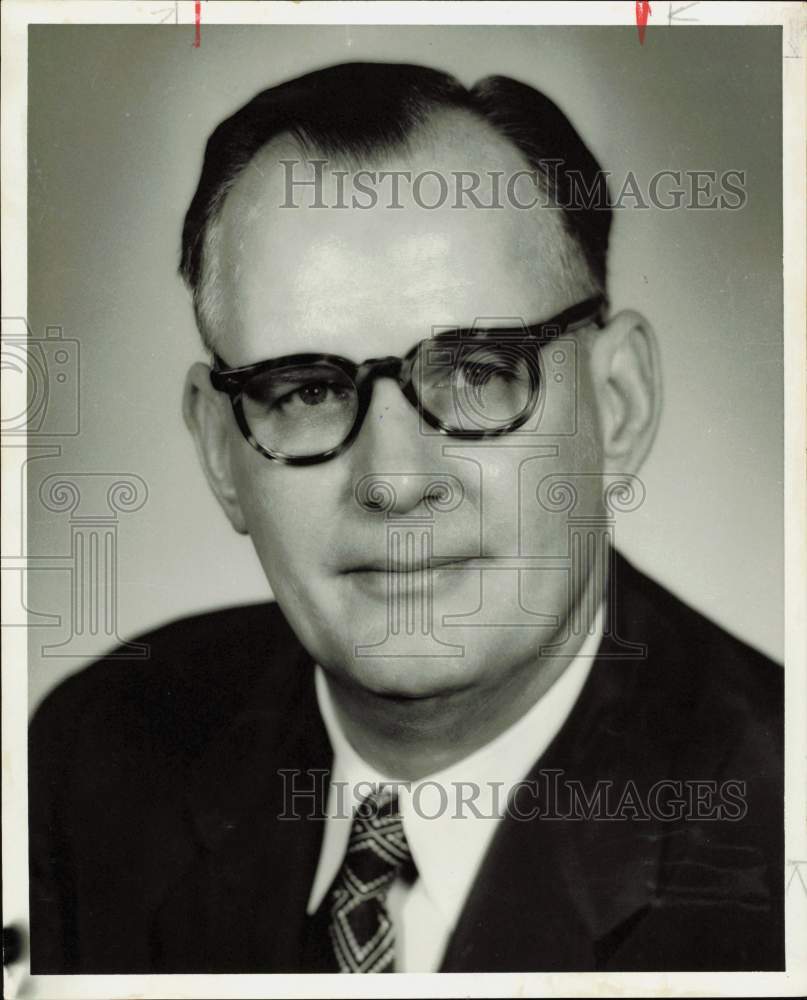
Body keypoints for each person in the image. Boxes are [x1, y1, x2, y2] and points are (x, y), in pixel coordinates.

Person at [28, 61, 783, 974]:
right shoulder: (89, 762)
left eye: (476, 373)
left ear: (615, 403)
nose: (393, 483)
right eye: (305, 389)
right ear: (221, 452)